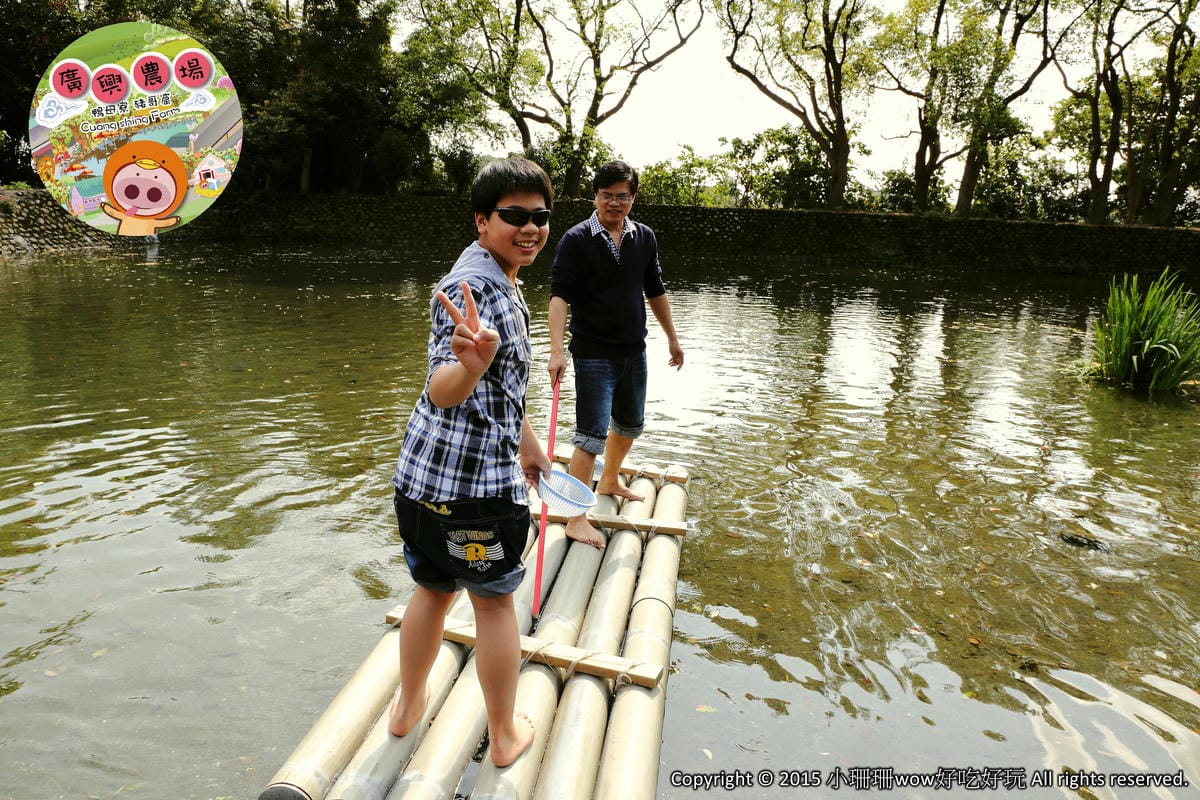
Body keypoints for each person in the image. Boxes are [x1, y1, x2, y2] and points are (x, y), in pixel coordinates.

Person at [389, 156, 554, 767]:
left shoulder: (492, 272)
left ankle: (407, 706)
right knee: (492, 606)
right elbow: (443, 388)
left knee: (431, 592)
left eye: (540, 216)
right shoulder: (476, 290)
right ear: (483, 220)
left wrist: (527, 443)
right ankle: (505, 735)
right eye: (514, 216)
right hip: (477, 496)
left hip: (421, 485)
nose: (530, 228)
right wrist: (471, 367)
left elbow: (498, 388)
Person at [547, 160, 684, 549]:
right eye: (606, 195)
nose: (614, 203)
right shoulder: (576, 239)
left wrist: (672, 339)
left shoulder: (644, 237)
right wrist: (556, 351)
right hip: (592, 352)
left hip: (633, 350)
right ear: (596, 196)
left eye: (621, 196)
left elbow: (655, 290)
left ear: (633, 198)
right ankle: (576, 518)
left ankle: (608, 480)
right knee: (590, 436)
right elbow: (559, 297)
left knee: (629, 424)